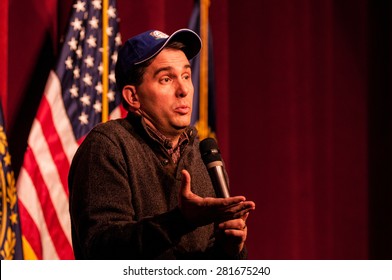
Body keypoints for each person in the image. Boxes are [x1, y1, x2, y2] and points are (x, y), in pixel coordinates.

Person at [68, 28, 256, 259]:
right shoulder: (108, 145)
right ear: (133, 97)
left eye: (186, 76)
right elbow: (100, 249)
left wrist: (229, 250)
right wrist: (181, 220)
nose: (184, 90)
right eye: (166, 79)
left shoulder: (204, 154)